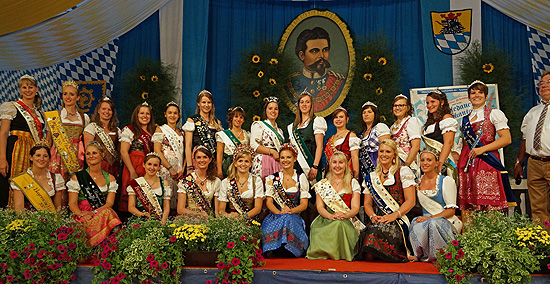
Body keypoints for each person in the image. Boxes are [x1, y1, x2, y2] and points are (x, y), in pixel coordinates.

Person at [458, 81, 513, 218]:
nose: (476, 95)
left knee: (489, 202)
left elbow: (506, 139)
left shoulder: (494, 114)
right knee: (470, 205)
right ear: (469, 97)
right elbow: (465, 143)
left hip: (487, 160)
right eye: (473, 92)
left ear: (486, 95)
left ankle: (490, 234)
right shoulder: (465, 119)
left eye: (480, 92)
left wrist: (482, 150)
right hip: (468, 162)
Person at [359, 139, 416, 262]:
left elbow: (411, 201)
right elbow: (367, 204)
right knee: (367, 250)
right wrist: (373, 216)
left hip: (398, 220)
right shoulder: (371, 177)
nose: (384, 154)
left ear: (394, 155)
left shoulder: (403, 172)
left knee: (373, 240)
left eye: (388, 152)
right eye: (381, 151)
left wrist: (393, 216)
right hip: (378, 219)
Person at [0, 74, 51, 208]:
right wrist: (2, 158)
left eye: (31, 87)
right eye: (24, 87)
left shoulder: (39, 113)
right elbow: (4, 133)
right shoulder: (12, 107)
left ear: (36, 89)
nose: (28, 90)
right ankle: (11, 214)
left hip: (33, 151)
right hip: (17, 148)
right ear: (20, 90)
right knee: (14, 181)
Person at [306, 151, 362, 261]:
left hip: (346, 218)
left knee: (339, 225)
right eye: (334, 162)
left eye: (341, 162)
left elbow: (355, 208)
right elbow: (320, 208)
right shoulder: (322, 184)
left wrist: (345, 214)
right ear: (330, 164)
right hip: (325, 218)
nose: (337, 166)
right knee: (329, 225)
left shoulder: (353, 183)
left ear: (346, 164)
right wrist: (330, 216)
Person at [409, 149, 461, 262]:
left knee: (433, 223)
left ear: (437, 163)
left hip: (445, 219)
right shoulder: (417, 182)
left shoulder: (446, 181)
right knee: (415, 222)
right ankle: (421, 256)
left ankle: (440, 256)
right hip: (426, 219)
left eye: (429, 160)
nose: (425, 163)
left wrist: (430, 218)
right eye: (422, 160)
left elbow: (451, 211)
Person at [67, 141, 121, 246]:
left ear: (102, 155)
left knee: (108, 212)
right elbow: (72, 203)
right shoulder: (77, 177)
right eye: (88, 153)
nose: (91, 156)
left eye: (94, 153)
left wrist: (93, 213)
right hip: (82, 214)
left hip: (100, 213)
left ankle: (106, 252)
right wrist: (80, 214)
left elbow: (109, 203)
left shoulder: (110, 178)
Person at [262, 143, 310, 258]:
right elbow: (269, 202)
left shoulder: (301, 178)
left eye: (288, 157)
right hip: (276, 214)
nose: (285, 160)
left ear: (295, 159)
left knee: (288, 219)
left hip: (293, 214)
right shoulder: (272, 178)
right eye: (282, 157)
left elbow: (304, 205)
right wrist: (279, 212)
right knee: (284, 219)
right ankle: (275, 249)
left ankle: (289, 251)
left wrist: (290, 211)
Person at [516, 71, 550, 223]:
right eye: (541, 83)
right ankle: (543, 243)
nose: (543, 86)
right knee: (538, 207)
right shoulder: (533, 112)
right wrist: (519, 162)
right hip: (534, 163)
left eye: (548, 82)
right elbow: (525, 138)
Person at [288, 27, 346, 114]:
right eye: (315, 51)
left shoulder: (339, 83)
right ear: (302, 55)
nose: (322, 56)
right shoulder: (290, 83)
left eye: (325, 50)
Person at [49, 80, 90, 181]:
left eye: (71, 94)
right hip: (58, 155)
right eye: (65, 94)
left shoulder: (84, 118)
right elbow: (48, 141)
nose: (68, 97)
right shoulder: (54, 116)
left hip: (76, 156)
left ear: (78, 97)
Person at [119, 102, 155, 214]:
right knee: (131, 194)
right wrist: (132, 171)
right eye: (142, 113)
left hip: (148, 167)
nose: (145, 116)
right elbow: (123, 152)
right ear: (136, 115)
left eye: (147, 113)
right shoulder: (129, 130)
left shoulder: (154, 131)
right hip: (133, 165)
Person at [10, 144, 63, 211]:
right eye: (38, 155)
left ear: (49, 158)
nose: (41, 159)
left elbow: (58, 208)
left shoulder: (56, 179)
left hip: (50, 220)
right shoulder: (21, 180)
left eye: (45, 156)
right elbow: (19, 208)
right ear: (31, 157)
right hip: (27, 220)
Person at [287, 92, 327, 181]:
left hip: (311, 162)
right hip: (296, 164)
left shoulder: (316, 121)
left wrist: (315, 166)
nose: (304, 104)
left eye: (307, 102)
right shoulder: (292, 127)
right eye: (302, 102)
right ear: (299, 105)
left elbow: (320, 146)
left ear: (311, 105)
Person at [153, 101, 184, 210]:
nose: (172, 115)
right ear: (165, 114)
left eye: (175, 113)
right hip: (165, 169)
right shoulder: (160, 129)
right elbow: (157, 151)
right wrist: (170, 168)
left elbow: (185, 153)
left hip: (179, 171)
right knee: (166, 198)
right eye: (170, 113)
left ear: (178, 115)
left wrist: (183, 169)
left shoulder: (182, 132)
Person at [218, 144, 263, 219]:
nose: (243, 164)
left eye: (246, 161)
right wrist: (229, 217)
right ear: (235, 163)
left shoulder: (256, 181)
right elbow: (221, 211)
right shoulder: (226, 182)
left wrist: (242, 217)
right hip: (231, 220)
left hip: (250, 220)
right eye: (240, 161)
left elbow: (257, 209)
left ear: (251, 164)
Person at [126, 153, 171, 224]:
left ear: (159, 167)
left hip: (159, 220)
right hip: (140, 220)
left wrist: (163, 221)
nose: (152, 168)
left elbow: (166, 207)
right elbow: (131, 207)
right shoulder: (136, 183)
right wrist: (143, 215)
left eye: (155, 165)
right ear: (144, 165)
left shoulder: (164, 183)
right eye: (149, 164)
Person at [183, 90, 222, 172]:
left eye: (209, 102)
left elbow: (219, 149)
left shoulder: (216, 122)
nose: (206, 105)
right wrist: (189, 166)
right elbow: (188, 146)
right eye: (204, 102)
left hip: (212, 160)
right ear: (198, 103)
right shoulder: (192, 120)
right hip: (198, 159)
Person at [422, 89, 458, 176]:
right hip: (429, 163)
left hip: (443, 163)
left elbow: (448, 143)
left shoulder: (446, 118)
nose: (429, 105)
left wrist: (440, 163)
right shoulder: (430, 121)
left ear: (442, 102)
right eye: (427, 103)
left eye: (433, 102)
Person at [83, 97, 121, 178]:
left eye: (109, 109)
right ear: (98, 110)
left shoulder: (117, 130)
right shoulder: (91, 128)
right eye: (104, 109)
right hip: (97, 167)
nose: (106, 112)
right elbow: (88, 151)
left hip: (114, 168)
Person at [177, 146, 221, 216]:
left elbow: (217, 212)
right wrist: (199, 214)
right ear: (194, 160)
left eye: (205, 157)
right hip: (189, 217)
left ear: (210, 160)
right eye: (198, 157)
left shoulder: (216, 181)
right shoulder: (186, 180)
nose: (202, 160)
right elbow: (180, 209)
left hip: (208, 218)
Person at [250, 97, 285, 181]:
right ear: (265, 110)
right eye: (270, 108)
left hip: (277, 162)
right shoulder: (259, 125)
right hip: (263, 162)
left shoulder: (280, 131)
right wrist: (272, 152)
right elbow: (253, 145)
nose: (273, 111)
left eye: (276, 109)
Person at [358, 101, 391, 183]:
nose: (366, 114)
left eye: (369, 112)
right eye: (364, 112)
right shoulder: (361, 134)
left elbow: (388, 148)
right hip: (364, 170)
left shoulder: (379, 127)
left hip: (378, 166)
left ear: (375, 114)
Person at [324, 107, 360, 179]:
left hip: (345, 175)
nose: (338, 119)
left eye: (341, 117)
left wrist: (356, 177)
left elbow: (354, 157)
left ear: (347, 119)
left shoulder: (351, 135)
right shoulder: (330, 138)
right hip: (331, 175)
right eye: (336, 117)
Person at [390, 94, 421, 175]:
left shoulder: (411, 121)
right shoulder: (393, 126)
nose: (397, 108)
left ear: (408, 107)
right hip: (396, 163)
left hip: (408, 162)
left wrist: (406, 165)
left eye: (401, 105)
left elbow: (416, 146)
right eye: (395, 105)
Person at [216, 106, 249, 179]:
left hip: (243, 165)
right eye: (236, 116)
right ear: (231, 118)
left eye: (241, 117)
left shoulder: (247, 134)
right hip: (228, 166)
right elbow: (219, 154)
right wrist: (219, 171)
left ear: (243, 120)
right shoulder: (223, 135)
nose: (238, 119)